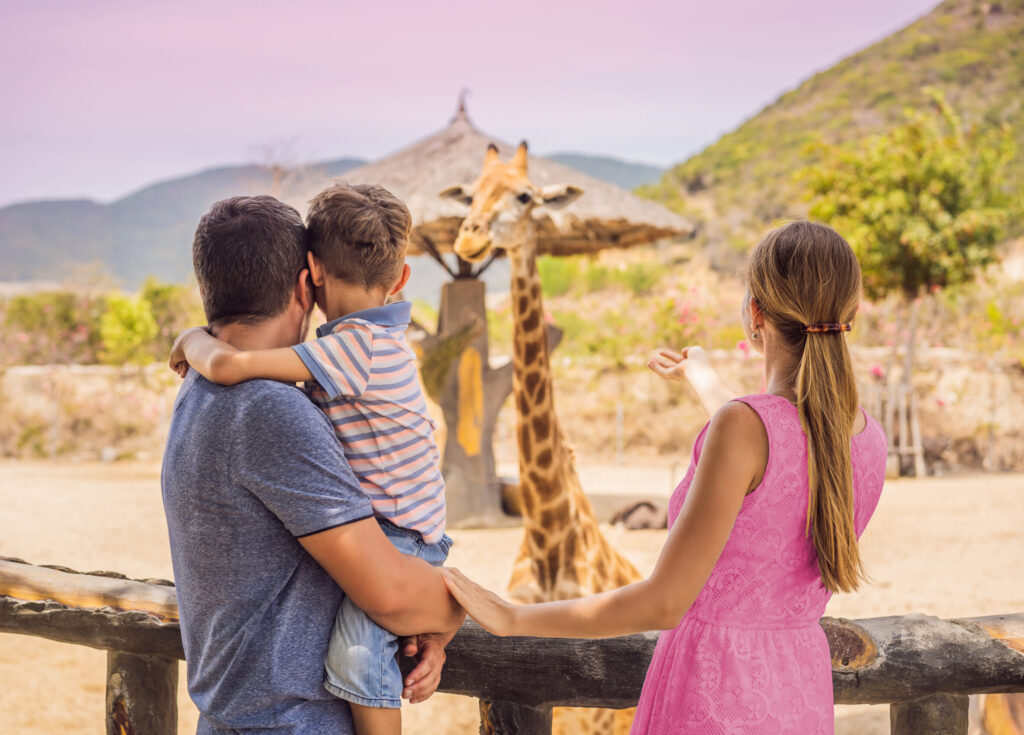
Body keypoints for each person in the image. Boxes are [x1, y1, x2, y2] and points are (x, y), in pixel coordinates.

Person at [443, 220, 888, 734]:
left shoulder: (742, 429)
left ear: (755, 313)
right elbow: (779, 451)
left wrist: (513, 618)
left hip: (714, 693)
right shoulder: (863, 438)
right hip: (800, 692)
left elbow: (664, 601)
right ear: (850, 314)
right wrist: (700, 376)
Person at [162, 194, 463, 735]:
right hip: (292, 721)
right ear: (306, 283)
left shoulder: (196, 392)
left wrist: (192, 338)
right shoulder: (270, 408)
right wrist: (454, 609)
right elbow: (391, 593)